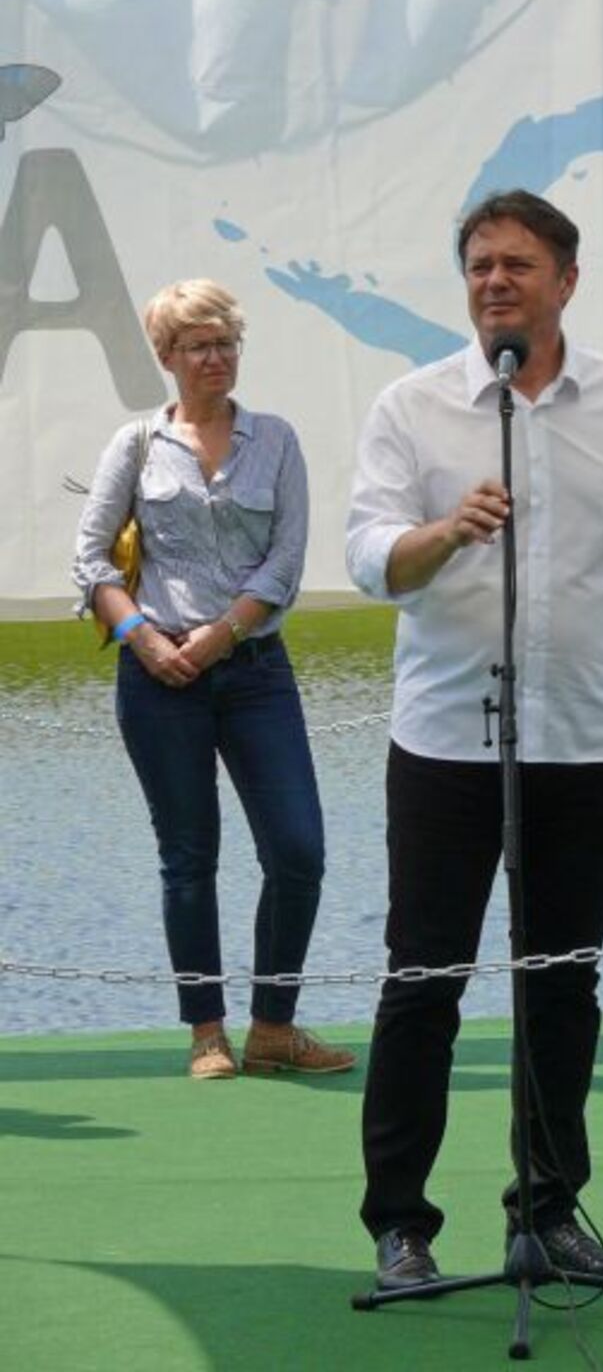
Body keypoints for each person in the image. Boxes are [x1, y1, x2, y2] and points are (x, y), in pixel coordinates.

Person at [345, 190, 603, 1290]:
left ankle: (546, 1212)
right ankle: (401, 1225)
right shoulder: (413, 406)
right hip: (448, 742)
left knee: (562, 987)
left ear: (566, 281)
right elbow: (369, 560)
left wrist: (580, 627)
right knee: (423, 984)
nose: (495, 281)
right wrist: (447, 533)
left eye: (518, 264)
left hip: (585, 739)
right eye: (481, 265)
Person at [72, 279, 349, 1083]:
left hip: (256, 671)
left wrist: (222, 634)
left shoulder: (277, 440)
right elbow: (90, 559)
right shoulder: (135, 444)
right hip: (157, 678)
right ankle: (206, 1035)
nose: (216, 357)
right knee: (189, 857)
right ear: (167, 355)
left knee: (298, 851)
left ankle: (274, 1029)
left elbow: (285, 562)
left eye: (226, 342)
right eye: (198, 345)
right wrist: (141, 638)